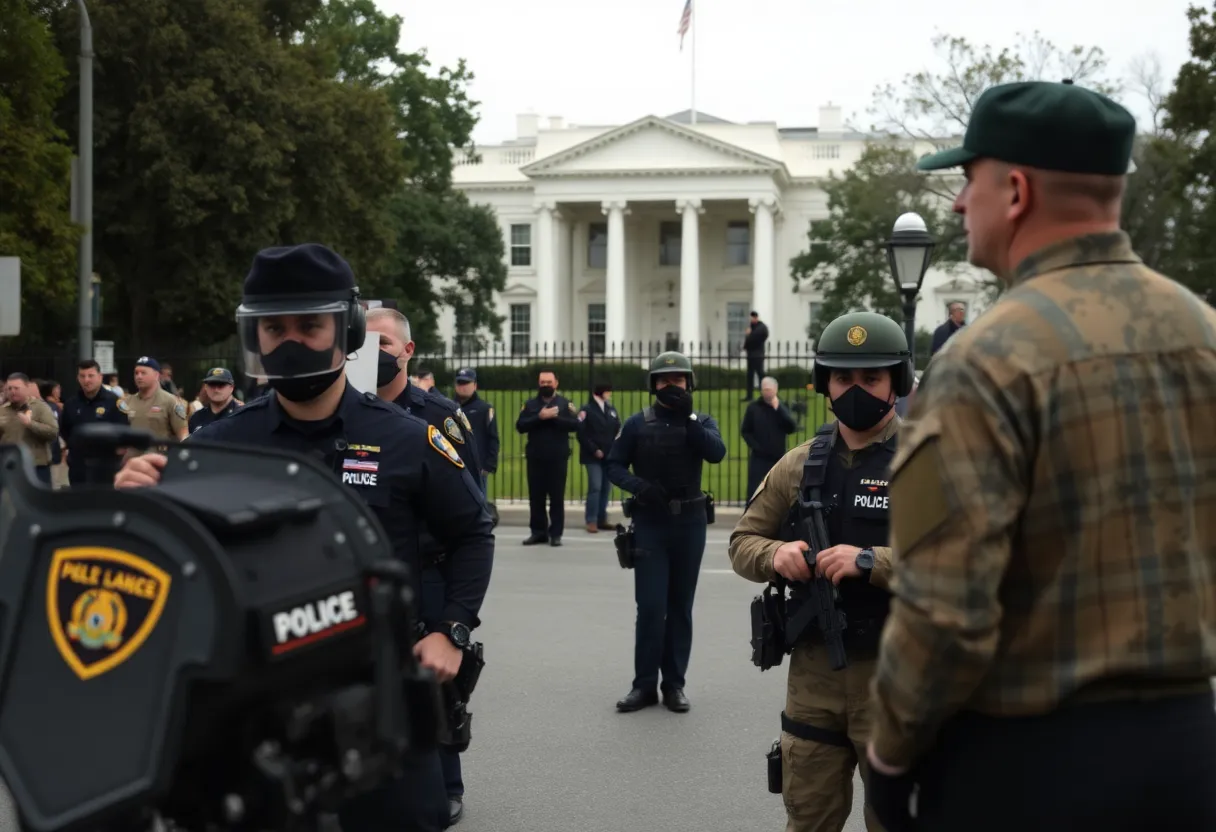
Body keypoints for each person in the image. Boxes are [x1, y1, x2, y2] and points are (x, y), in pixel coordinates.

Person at [865, 80, 1216, 832]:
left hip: (1029, 768)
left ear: (1016, 190)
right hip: (1191, 755)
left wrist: (889, 761)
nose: (959, 203)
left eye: (969, 180)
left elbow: (944, 614)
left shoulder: (984, 361)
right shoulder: (1204, 334)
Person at [114, 243, 495, 832]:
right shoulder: (218, 445)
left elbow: (473, 533)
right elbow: (167, 571)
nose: (289, 342)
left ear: (346, 331)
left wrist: (452, 629)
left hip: (380, 701)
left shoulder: (407, 439)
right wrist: (139, 509)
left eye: (309, 327)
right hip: (253, 710)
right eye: (274, 328)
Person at [728, 312, 908, 832]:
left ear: (897, 381)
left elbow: (965, 563)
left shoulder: (928, 459)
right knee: (808, 818)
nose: (857, 390)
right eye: (844, 378)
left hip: (899, 678)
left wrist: (872, 561)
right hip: (814, 678)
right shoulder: (799, 464)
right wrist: (774, 556)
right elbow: (743, 542)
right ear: (826, 381)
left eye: (871, 378)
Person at [365, 306, 479, 826]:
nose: (373, 354)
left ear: (408, 351)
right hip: (370, 572)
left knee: (433, 684)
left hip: (430, 568)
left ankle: (446, 784)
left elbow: (469, 505)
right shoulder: (348, 409)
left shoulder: (438, 416)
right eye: (363, 343)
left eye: (383, 344)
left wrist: (456, 610)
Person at [607, 352, 725, 713]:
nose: (671, 385)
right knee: (651, 606)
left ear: (689, 383)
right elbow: (613, 463)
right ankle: (643, 686)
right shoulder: (637, 424)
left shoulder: (701, 421)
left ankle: (674, 684)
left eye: (678, 379)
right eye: (664, 380)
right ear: (653, 385)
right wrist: (639, 487)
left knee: (680, 607)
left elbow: (716, 453)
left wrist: (688, 417)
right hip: (651, 524)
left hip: (689, 525)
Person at [515, 370, 579, 546]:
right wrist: (540, 417)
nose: (545, 385)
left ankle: (556, 534)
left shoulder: (565, 404)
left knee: (557, 497)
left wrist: (556, 417)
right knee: (536, 497)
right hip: (536, 457)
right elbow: (520, 426)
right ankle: (538, 532)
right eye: (542, 382)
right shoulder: (530, 404)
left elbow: (576, 425)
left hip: (557, 458)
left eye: (549, 382)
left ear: (556, 383)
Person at [59, 360, 130, 486]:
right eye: (82, 376)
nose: (86, 380)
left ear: (100, 377)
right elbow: (65, 430)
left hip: (106, 468)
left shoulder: (114, 402)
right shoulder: (71, 404)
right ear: (78, 378)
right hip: (78, 468)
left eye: (91, 375)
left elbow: (123, 431)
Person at [740, 376, 797, 498]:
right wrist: (756, 447)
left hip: (778, 457)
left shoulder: (782, 407)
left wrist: (779, 408)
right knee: (755, 491)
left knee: (779, 490)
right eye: (765, 390)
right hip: (759, 458)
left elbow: (791, 427)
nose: (767, 393)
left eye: (769, 390)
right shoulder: (753, 408)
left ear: (776, 390)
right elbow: (745, 431)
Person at [0, 372, 60, 485]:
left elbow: (53, 433)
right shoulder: (2, 411)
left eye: (16, 388)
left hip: (36, 468)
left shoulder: (40, 407)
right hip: (9, 468)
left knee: (39, 502)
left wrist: (31, 424)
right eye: (9, 388)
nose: (12, 391)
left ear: (27, 388)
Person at [576, 382, 621, 533]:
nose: (610, 395)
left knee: (605, 488)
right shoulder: (586, 410)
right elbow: (581, 433)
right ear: (600, 393)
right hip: (592, 456)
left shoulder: (610, 409)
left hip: (608, 455)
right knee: (595, 487)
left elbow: (617, 427)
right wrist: (594, 449)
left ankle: (602, 519)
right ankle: (591, 520)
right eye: (608, 392)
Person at [118, 357, 188, 441]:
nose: (139, 377)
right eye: (136, 373)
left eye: (143, 373)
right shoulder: (127, 402)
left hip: (159, 452)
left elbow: (183, 435)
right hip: (132, 453)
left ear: (156, 375)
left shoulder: (171, 401)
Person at [453, 368, 498, 495]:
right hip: (454, 466)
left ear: (475, 385)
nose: (463, 387)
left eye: (466, 383)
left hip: (477, 467)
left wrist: (489, 465)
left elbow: (493, 438)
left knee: (478, 504)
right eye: (460, 383)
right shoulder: (448, 406)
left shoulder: (484, 408)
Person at [187, 367, 242, 434]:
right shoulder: (197, 417)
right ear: (206, 387)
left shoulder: (241, 416)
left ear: (231, 388)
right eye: (212, 384)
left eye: (221, 385)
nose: (216, 390)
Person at [741, 311, 769, 400]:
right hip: (751, 354)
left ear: (756, 317)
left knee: (760, 374)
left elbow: (754, 338)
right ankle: (749, 395)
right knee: (750, 375)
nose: (751, 319)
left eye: (752, 318)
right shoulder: (752, 327)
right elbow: (748, 340)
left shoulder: (761, 327)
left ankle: (765, 394)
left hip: (758, 355)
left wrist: (749, 335)